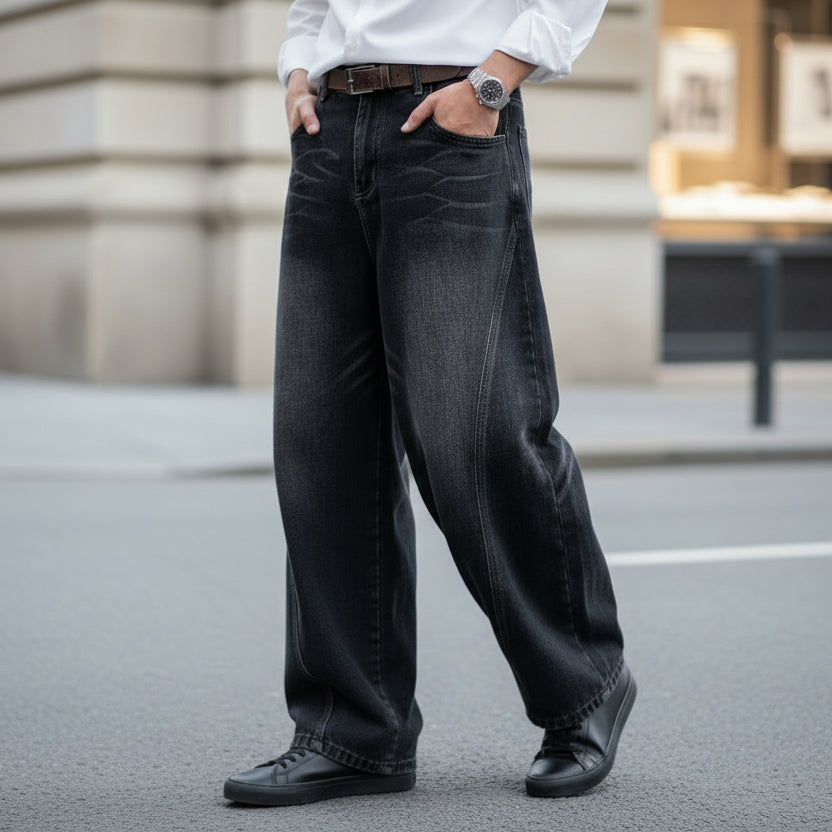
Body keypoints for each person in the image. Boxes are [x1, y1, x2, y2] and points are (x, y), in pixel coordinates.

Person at [224, 0, 636, 806]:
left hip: (452, 118)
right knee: (320, 443)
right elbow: (311, 8)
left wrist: (492, 83)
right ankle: (354, 731)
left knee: (472, 433)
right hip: (330, 130)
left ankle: (585, 684)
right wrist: (299, 72)